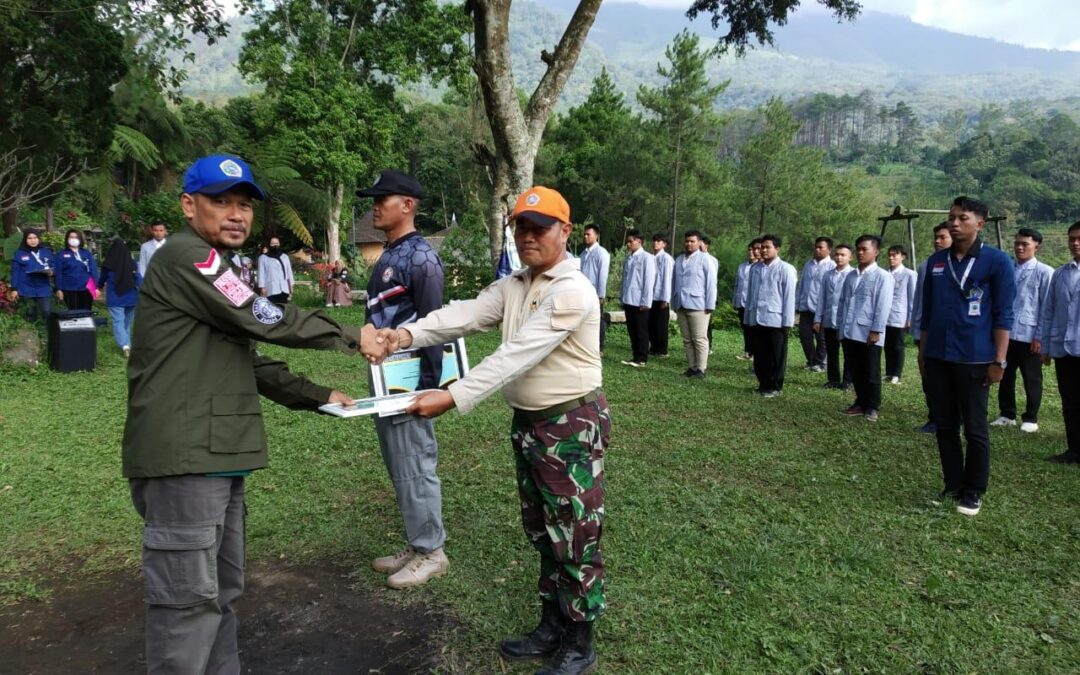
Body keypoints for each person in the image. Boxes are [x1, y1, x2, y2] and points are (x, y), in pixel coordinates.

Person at [122, 154, 365, 674]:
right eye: (220, 201)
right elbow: (264, 316)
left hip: (216, 456)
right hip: (187, 459)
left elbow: (243, 359)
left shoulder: (214, 266)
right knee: (187, 605)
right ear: (189, 206)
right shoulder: (189, 257)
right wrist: (351, 333)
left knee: (220, 594)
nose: (236, 214)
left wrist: (317, 393)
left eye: (244, 204)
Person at [367, 185, 608, 675]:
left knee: (574, 535)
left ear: (565, 231)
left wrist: (453, 395)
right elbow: (465, 314)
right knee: (543, 530)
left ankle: (580, 642)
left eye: (538, 229)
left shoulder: (572, 290)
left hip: (569, 426)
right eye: (520, 227)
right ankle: (551, 626)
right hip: (531, 423)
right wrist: (407, 333)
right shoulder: (517, 284)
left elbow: (517, 353)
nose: (527, 237)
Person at [359, 169, 449, 589]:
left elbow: (435, 326)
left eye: (384, 198)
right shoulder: (390, 254)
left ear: (408, 205)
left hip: (410, 380)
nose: (375, 205)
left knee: (415, 462)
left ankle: (432, 551)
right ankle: (417, 542)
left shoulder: (421, 258)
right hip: (386, 379)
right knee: (400, 462)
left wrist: (429, 386)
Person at [919, 196, 1016, 516]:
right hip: (937, 356)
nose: (954, 223)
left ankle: (974, 490)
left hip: (974, 358)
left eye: (962, 218)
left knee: (974, 427)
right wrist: (923, 352)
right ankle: (953, 484)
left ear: (980, 224)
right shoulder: (935, 261)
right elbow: (928, 312)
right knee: (945, 425)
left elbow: (1003, 314)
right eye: (951, 217)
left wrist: (999, 361)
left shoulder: (997, 262)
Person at [990, 228, 1053, 433]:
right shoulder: (1009, 268)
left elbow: (1046, 307)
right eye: (1017, 243)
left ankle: (1031, 417)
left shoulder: (1045, 272)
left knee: (1031, 377)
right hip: (1007, 332)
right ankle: (1007, 414)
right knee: (1005, 373)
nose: (1019, 247)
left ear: (1037, 246)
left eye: (1024, 244)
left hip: (1030, 334)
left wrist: (1039, 336)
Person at [836, 235, 894, 422]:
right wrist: (840, 327)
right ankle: (860, 402)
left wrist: (876, 330)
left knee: (871, 371)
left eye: (865, 249)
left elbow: (882, 305)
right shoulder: (851, 275)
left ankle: (873, 406)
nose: (860, 252)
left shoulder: (883, 276)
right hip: (849, 329)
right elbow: (843, 302)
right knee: (855, 369)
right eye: (858, 249)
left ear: (876, 252)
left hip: (869, 331)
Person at [1040, 220, 1080, 464]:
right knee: (1071, 402)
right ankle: (1074, 450)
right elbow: (1049, 311)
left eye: (1079, 239)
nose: (1075, 243)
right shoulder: (1061, 273)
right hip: (1065, 348)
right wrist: (1045, 345)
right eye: (1072, 238)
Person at [744, 234, 797, 397]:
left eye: (768, 247)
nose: (764, 250)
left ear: (777, 249)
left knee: (776, 355)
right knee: (760, 355)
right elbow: (751, 295)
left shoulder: (786, 269)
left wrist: (787, 322)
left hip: (776, 319)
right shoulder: (755, 269)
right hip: (757, 318)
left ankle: (775, 386)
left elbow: (789, 297)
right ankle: (763, 383)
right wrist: (748, 317)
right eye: (762, 247)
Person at [911, 223, 952, 433]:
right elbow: (919, 300)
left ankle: (954, 418)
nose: (937, 241)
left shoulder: (965, 265)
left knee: (953, 380)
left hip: (952, 333)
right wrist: (916, 328)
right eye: (936, 237)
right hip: (927, 331)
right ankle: (934, 417)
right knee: (929, 377)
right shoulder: (927, 265)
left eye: (942, 237)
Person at [671, 230, 717, 379]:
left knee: (699, 338)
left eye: (692, 241)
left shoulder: (705, 259)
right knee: (687, 339)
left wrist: (710, 304)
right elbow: (674, 282)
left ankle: (701, 369)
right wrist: (674, 300)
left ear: (699, 243)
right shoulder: (678, 260)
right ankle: (692, 367)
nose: (689, 244)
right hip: (681, 304)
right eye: (687, 241)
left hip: (699, 305)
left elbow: (711, 284)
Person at [813, 243, 854, 390]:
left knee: (848, 351)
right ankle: (833, 379)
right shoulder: (828, 274)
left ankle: (848, 380)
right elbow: (821, 298)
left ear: (850, 257)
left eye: (843, 255)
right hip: (830, 318)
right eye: (837, 254)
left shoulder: (853, 274)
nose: (839, 257)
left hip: (846, 320)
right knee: (831, 350)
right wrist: (818, 318)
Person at [795, 237, 835, 372]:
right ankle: (812, 361)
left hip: (821, 308)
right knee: (804, 335)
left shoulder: (832, 266)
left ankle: (821, 363)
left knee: (821, 338)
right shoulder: (808, 264)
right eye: (816, 247)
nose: (817, 250)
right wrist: (797, 303)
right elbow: (801, 285)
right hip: (806, 306)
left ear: (829, 250)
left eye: (821, 247)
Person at [98, 237, 140, 357]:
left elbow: (102, 279)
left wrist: (98, 286)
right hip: (132, 297)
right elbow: (139, 279)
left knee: (118, 321)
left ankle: (125, 345)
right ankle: (128, 346)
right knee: (126, 323)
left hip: (115, 297)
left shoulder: (108, 264)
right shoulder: (132, 263)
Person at [620, 228, 655, 367]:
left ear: (639, 241)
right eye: (627, 242)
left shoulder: (647, 258)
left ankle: (642, 358)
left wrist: (646, 301)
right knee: (632, 330)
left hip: (640, 300)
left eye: (630, 241)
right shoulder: (628, 258)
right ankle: (635, 356)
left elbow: (648, 281)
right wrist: (622, 297)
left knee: (641, 330)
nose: (628, 244)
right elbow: (624, 280)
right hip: (628, 299)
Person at [883, 245, 917, 384]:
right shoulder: (884, 273)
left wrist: (910, 318)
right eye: (889, 255)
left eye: (894, 255)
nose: (891, 258)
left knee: (897, 345)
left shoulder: (909, 274)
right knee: (887, 345)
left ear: (902, 256)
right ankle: (889, 372)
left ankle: (897, 373)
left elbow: (912, 298)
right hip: (884, 316)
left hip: (899, 315)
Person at [9, 229, 54, 323]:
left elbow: (54, 266)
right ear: (25, 239)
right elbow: (15, 272)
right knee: (30, 313)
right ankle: (33, 335)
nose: (32, 240)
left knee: (47, 312)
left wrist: (52, 272)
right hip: (26, 288)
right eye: (29, 238)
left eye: (35, 238)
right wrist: (14, 289)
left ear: (38, 239)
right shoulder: (19, 253)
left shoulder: (46, 251)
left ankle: (49, 333)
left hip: (43, 287)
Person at [578, 224, 610, 354]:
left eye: (588, 234)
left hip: (595, 292)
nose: (585, 237)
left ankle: (600, 346)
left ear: (596, 236)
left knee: (598, 320)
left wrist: (601, 295)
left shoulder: (601, 253)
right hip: (583, 292)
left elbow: (603, 275)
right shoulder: (583, 253)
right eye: (584, 234)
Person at [54, 228, 98, 310]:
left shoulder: (86, 253)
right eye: (71, 237)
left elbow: (93, 270)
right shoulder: (61, 254)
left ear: (80, 239)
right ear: (67, 239)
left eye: (76, 237)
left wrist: (96, 287)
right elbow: (58, 273)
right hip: (69, 287)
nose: (74, 239)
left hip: (87, 287)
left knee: (86, 311)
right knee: (73, 312)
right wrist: (59, 289)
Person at [732, 239, 759, 361]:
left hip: (753, 304)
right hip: (741, 302)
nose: (751, 252)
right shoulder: (742, 266)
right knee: (745, 328)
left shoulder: (759, 267)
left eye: (754, 250)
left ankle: (755, 352)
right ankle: (748, 351)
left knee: (754, 329)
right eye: (749, 250)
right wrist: (735, 300)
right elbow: (737, 284)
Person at [648, 233, 674, 358]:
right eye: (654, 241)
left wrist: (666, 298)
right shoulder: (651, 257)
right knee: (651, 323)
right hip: (651, 295)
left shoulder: (666, 259)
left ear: (664, 244)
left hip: (661, 296)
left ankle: (662, 349)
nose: (655, 243)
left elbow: (667, 279)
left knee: (661, 324)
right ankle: (654, 347)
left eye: (659, 241)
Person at [257, 235, 294, 304]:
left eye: (277, 243)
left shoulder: (285, 257)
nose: (275, 245)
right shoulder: (263, 258)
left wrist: (291, 285)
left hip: (284, 288)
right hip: (271, 288)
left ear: (279, 244)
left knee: (283, 308)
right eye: (273, 243)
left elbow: (289, 272)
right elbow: (261, 273)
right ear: (269, 245)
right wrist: (262, 287)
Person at [700, 235, 719, 353]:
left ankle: (708, 345)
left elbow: (712, 280)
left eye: (701, 243)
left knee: (707, 323)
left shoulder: (711, 260)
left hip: (707, 295)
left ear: (706, 245)